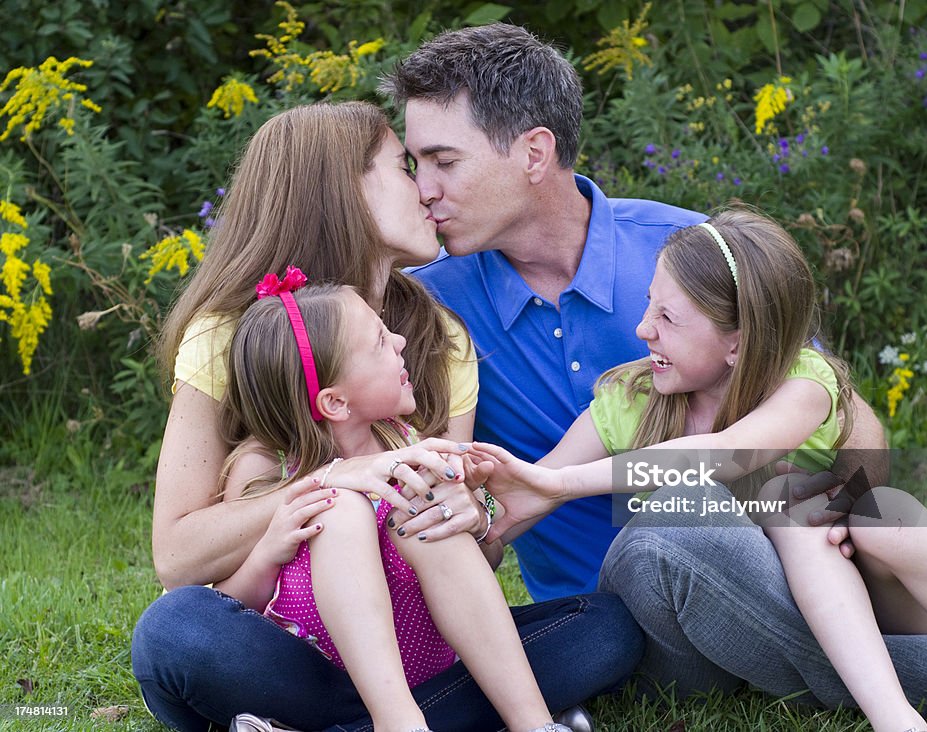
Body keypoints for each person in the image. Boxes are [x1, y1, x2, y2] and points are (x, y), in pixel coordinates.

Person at [380, 21, 927, 715]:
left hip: (795, 559)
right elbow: (492, 512)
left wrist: (839, 524)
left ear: (534, 151)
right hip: (633, 610)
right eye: (415, 165)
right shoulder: (428, 307)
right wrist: (472, 519)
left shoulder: (682, 253)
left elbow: (838, 412)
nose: (424, 190)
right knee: (681, 518)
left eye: (443, 161)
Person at [130, 101, 642, 732]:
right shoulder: (228, 337)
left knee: (603, 631)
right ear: (343, 193)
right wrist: (330, 482)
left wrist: (472, 519)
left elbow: (464, 558)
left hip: (415, 649)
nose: (427, 189)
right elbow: (177, 556)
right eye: (402, 167)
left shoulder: (439, 339)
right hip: (292, 651)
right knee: (175, 631)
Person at [468, 208, 927, 732]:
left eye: (667, 317)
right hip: (708, 625)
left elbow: (721, 454)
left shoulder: (803, 384)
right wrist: (488, 516)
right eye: (647, 306)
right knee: (786, 503)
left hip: (860, 598)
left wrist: (562, 486)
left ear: (738, 342)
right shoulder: (631, 397)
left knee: (860, 511)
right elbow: (532, 486)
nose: (642, 330)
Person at [215, 275, 575, 732]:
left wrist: (475, 511)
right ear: (336, 402)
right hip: (319, 681)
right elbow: (226, 612)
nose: (401, 341)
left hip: (430, 667)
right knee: (337, 508)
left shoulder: (406, 445)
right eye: (381, 341)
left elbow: (475, 565)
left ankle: (533, 725)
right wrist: (268, 552)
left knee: (424, 511)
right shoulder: (266, 471)